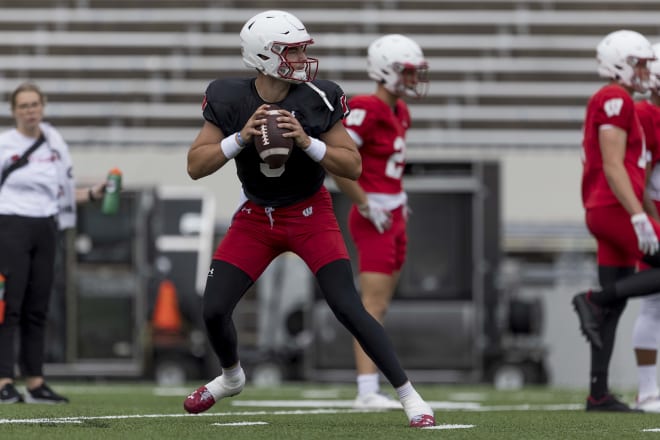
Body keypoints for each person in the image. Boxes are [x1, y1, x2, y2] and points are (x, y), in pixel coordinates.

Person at [182, 10, 435, 428]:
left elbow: (351, 166)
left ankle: (410, 397)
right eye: (292, 50)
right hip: (256, 216)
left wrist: (306, 141)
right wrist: (241, 137)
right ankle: (231, 377)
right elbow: (195, 165)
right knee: (213, 310)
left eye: (301, 49)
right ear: (263, 55)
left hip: (309, 212)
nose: (301, 58)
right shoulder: (228, 97)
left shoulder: (320, 96)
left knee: (348, 306)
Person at [331, 34, 428, 410]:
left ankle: (370, 384)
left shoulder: (400, 111)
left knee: (381, 304)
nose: (413, 79)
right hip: (374, 216)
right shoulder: (365, 107)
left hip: (394, 212)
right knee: (371, 305)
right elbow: (339, 163)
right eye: (407, 72)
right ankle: (366, 388)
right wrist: (367, 204)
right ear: (386, 71)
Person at [0, 82, 106, 404]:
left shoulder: (54, 144)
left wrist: (91, 194)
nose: (30, 111)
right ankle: (4, 381)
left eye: (34, 105)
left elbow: (62, 193)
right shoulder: (5, 144)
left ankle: (35, 382)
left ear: (42, 106)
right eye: (23, 106)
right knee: (8, 308)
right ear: (14, 111)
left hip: (46, 226)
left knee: (38, 308)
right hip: (10, 225)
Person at [571, 29, 660, 412]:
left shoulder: (621, 100)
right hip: (614, 209)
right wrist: (640, 215)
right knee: (605, 300)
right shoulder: (614, 98)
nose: (644, 71)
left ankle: (598, 393)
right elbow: (611, 164)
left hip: (610, 207)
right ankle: (591, 299)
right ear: (620, 64)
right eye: (638, 63)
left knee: (615, 305)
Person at [632, 42, 660, 413]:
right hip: (655, 210)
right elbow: (640, 176)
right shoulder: (646, 116)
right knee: (654, 304)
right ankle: (648, 389)